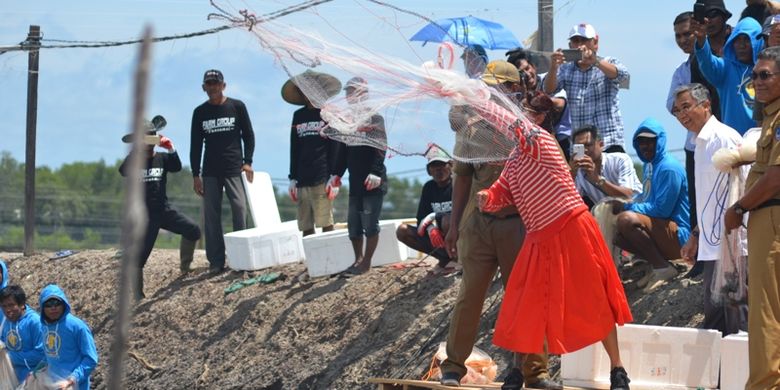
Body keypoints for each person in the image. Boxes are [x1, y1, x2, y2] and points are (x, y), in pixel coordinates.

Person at [472, 82, 632, 390]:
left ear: (540, 119)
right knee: (526, 304)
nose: (518, 114)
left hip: (570, 227)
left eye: (526, 111)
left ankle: (618, 369)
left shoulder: (541, 141)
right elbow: (502, 192)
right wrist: (486, 197)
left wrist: (477, 97)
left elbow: (510, 122)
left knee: (594, 298)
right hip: (539, 236)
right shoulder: (517, 156)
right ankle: (517, 372)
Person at [440, 60, 557, 390]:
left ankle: (535, 372)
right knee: (469, 296)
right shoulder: (472, 129)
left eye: (497, 87)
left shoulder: (528, 130)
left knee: (526, 298)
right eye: (487, 87)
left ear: (515, 90)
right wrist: (453, 226)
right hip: (478, 225)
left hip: (518, 224)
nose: (490, 93)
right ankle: (452, 366)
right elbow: (462, 179)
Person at [724, 46, 780, 390]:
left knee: (765, 311)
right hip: (768, 216)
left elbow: (776, 176)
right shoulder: (771, 118)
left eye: (765, 75)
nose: (757, 82)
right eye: (754, 76)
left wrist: (740, 207)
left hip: (771, 216)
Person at [673, 83, 748, 336]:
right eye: (676, 110)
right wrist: (696, 235)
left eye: (686, 107)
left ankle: (745, 375)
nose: (682, 115)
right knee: (716, 320)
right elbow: (710, 198)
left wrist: (729, 241)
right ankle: (718, 376)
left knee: (738, 320)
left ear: (706, 105)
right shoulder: (700, 143)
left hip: (732, 244)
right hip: (712, 245)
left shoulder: (722, 138)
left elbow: (738, 193)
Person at [120, 116, 201, 299]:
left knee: (193, 230)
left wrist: (171, 147)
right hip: (144, 215)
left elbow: (177, 167)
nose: (148, 140)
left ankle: (185, 266)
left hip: (163, 210)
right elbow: (123, 171)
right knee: (139, 257)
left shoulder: (162, 158)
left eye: (151, 136)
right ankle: (138, 295)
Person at [611, 119, 691, 293]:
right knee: (615, 232)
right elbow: (646, 198)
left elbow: (662, 210)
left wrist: (627, 208)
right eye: (640, 142)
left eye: (650, 141)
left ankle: (663, 268)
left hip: (681, 236)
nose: (645, 146)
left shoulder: (668, 168)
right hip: (663, 229)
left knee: (626, 220)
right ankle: (654, 266)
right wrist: (628, 203)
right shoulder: (650, 165)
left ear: (660, 141)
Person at [190, 69, 255, 274]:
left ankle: (241, 258)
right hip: (210, 171)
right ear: (204, 87)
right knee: (211, 216)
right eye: (209, 84)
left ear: (223, 85)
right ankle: (216, 261)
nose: (212, 87)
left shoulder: (237, 106)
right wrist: (195, 174)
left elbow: (249, 135)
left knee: (239, 208)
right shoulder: (200, 112)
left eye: (216, 83)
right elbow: (195, 145)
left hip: (234, 168)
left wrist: (248, 162)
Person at [331, 77, 388, 277]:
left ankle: (367, 263)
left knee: (370, 224)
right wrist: (336, 175)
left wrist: (375, 171)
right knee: (354, 225)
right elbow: (342, 152)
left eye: (354, 92)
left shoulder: (375, 119)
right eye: (348, 93)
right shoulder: (347, 122)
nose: (350, 96)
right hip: (355, 181)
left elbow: (381, 147)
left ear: (364, 93)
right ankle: (357, 260)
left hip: (372, 180)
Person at [544, 23, 630, 153]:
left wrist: (595, 61)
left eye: (584, 40)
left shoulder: (607, 61)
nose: (580, 45)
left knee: (611, 172)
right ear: (570, 46)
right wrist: (553, 67)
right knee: (577, 171)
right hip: (580, 146)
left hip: (609, 141)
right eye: (575, 40)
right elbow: (548, 90)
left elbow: (624, 76)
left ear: (595, 43)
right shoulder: (566, 69)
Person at [282, 70, 343, 237]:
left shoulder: (327, 114)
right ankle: (311, 257)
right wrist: (293, 177)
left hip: (323, 176)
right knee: (305, 223)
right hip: (302, 177)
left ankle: (328, 257)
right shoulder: (298, 116)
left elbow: (336, 146)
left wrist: (335, 175)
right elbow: (294, 147)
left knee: (325, 221)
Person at [693, 14, 762, 134]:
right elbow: (707, 62)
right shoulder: (725, 69)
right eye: (737, 40)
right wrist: (701, 40)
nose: (741, 45)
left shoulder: (768, 72)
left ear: (757, 42)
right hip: (733, 145)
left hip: (762, 143)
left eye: (747, 39)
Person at [395, 145, 455, 274]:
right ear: (429, 171)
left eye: (442, 165)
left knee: (446, 221)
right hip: (438, 236)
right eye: (434, 166)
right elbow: (421, 217)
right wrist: (430, 228)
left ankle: (459, 259)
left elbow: (460, 214)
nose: (439, 169)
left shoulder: (458, 184)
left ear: (451, 166)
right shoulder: (429, 187)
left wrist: (435, 218)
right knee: (402, 231)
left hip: (459, 234)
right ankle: (444, 259)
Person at [507, 48, 573, 159]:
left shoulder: (549, 79)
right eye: (522, 73)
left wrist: (534, 101)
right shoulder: (519, 91)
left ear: (533, 66)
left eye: (527, 68)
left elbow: (560, 104)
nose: (527, 74)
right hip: (536, 144)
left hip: (562, 141)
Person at [39, 284, 98, 390]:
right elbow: (49, 354)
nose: (53, 308)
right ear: (42, 308)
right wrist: (37, 369)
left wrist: (72, 379)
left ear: (64, 304)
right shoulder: (44, 327)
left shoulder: (77, 326)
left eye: (57, 303)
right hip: (53, 385)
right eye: (48, 304)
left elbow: (90, 359)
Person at [570, 125, 642, 206]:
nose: (585, 150)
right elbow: (572, 203)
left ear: (601, 145)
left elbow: (627, 196)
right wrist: (571, 174)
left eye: (588, 145)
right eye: (580, 147)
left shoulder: (619, 159)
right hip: (609, 215)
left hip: (637, 209)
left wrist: (597, 179)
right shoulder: (579, 171)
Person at [0, 285, 44, 383]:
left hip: (34, 379)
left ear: (22, 304)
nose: (7, 310)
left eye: (11, 305)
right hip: (13, 378)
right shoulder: (7, 322)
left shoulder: (34, 322)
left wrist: (9, 357)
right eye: (4, 306)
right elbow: (3, 343)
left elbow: (41, 354)